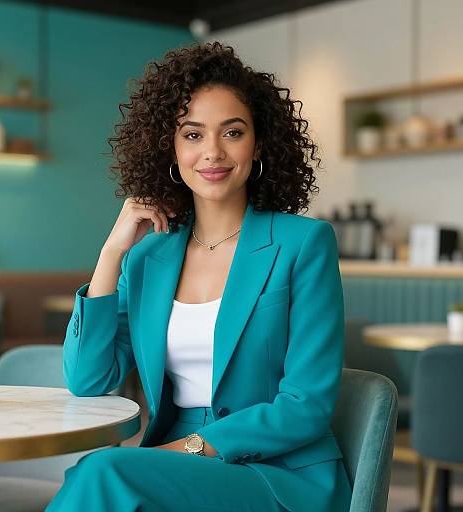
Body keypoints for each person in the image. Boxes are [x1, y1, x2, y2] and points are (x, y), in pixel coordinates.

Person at [45, 41, 352, 512]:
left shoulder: (303, 244)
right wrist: (112, 253)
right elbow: (89, 378)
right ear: (168, 145)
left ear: (259, 142)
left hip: (277, 472)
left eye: (232, 132)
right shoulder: (147, 257)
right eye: (192, 134)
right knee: (104, 475)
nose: (212, 152)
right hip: (173, 462)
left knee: (103, 472)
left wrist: (187, 450)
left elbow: (305, 407)